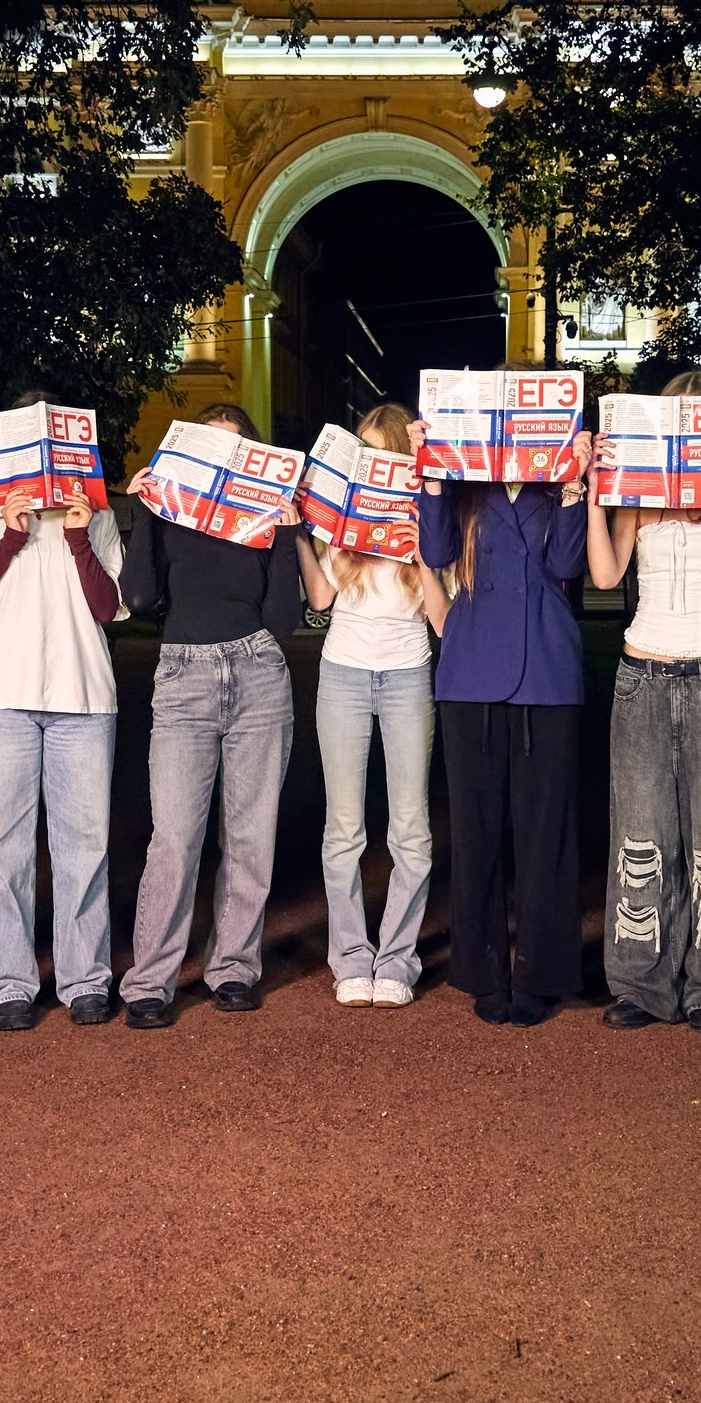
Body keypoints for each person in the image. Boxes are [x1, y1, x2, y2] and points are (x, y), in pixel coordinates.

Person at [0, 390, 129, 1031]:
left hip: (84, 697)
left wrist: (78, 537)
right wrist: (7, 537)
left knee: (85, 845)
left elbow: (107, 608)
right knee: (1, 849)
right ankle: (9, 983)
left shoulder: (94, 514)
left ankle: (85, 979)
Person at [410, 379, 592, 1027]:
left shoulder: (555, 485)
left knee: (546, 835)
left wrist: (574, 488)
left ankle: (541, 971)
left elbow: (571, 565)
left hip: (547, 666)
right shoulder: (462, 483)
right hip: (471, 668)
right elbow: (432, 553)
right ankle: (483, 967)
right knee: (477, 830)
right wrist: (430, 477)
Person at [118, 403, 303, 1028]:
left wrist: (284, 533)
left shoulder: (263, 518)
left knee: (251, 835)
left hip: (256, 668)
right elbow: (140, 596)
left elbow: (283, 617)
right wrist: (144, 510)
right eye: (209, 447)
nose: (220, 461)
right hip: (183, 673)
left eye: (234, 449)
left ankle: (234, 969)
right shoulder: (169, 510)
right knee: (174, 836)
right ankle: (150, 979)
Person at [584, 371, 701, 1034]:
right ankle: (640, 982)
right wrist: (600, 495)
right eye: (678, 418)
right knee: (641, 833)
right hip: (643, 675)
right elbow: (604, 575)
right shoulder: (635, 496)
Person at [294, 403, 448, 1009]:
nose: (368, 463)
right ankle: (352, 958)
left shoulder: (427, 519)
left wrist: (420, 551)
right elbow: (320, 597)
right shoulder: (341, 517)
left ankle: (398, 959)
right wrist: (305, 532)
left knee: (410, 828)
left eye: (377, 452)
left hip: (409, 674)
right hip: (343, 675)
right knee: (344, 829)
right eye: (362, 453)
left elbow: (441, 622)